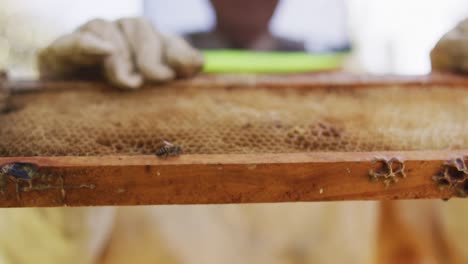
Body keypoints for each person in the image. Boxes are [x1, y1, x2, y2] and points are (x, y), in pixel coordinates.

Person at [2, 1, 468, 263]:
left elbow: (442, 246)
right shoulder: (127, 88)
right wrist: (75, 108)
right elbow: (27, 255)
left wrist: (461, 115)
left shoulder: (374, 104)